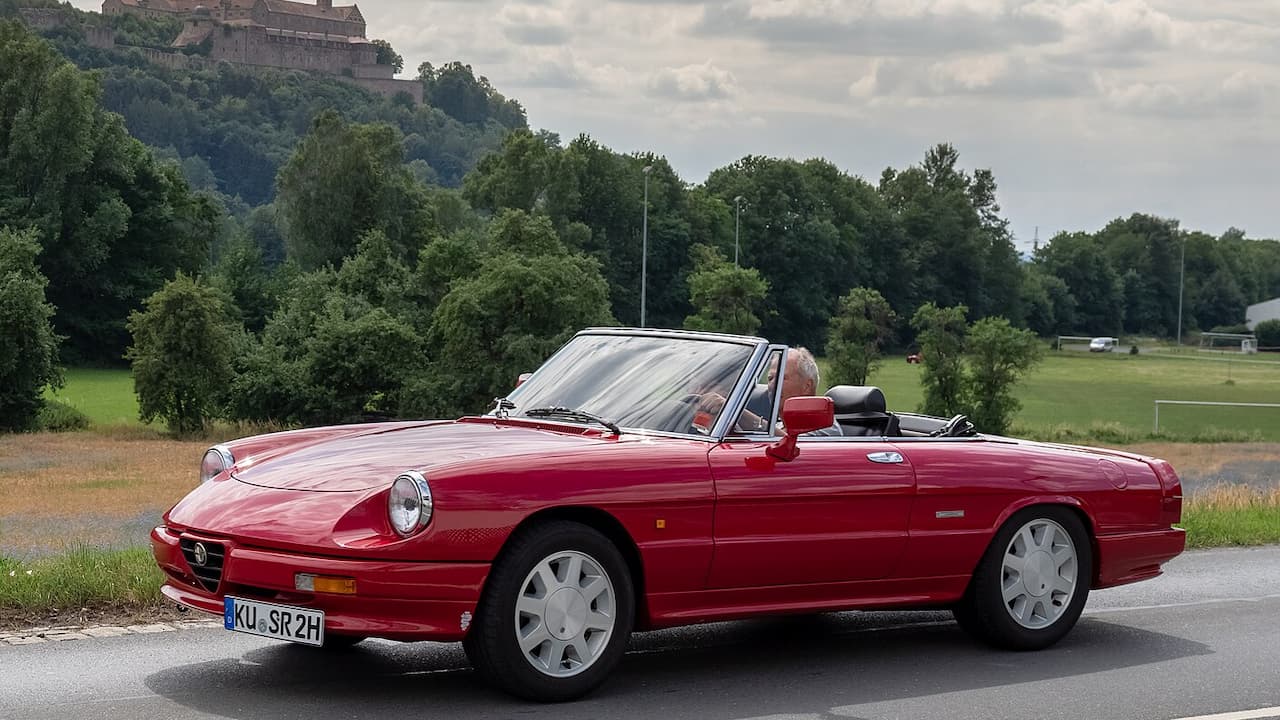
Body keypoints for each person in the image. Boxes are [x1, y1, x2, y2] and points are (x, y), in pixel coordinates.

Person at [699, 346, 842, 436]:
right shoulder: (778, 426)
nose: (772, 385)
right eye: (770, 378)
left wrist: (734, 410)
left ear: (806, 386)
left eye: (781, 378)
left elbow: (790, 447)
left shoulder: (825, 426)